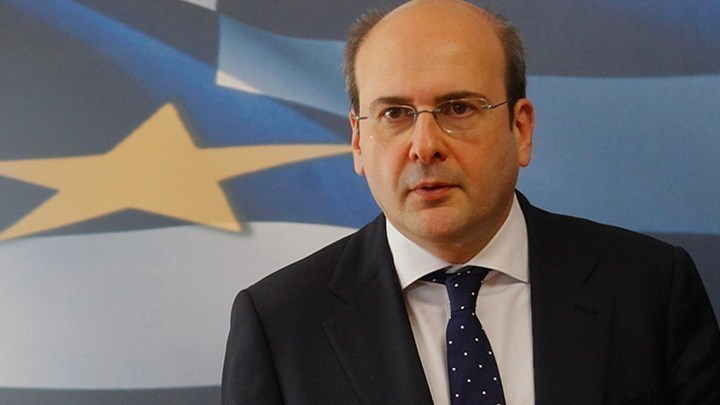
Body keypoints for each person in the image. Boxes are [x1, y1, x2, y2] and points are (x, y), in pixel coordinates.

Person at [221, 1, 720, 403]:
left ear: (520, 129)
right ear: (357, 140)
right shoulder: (280, 325)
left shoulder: (651, 288)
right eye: (395, 113)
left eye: (458, 108)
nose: (424, 146)